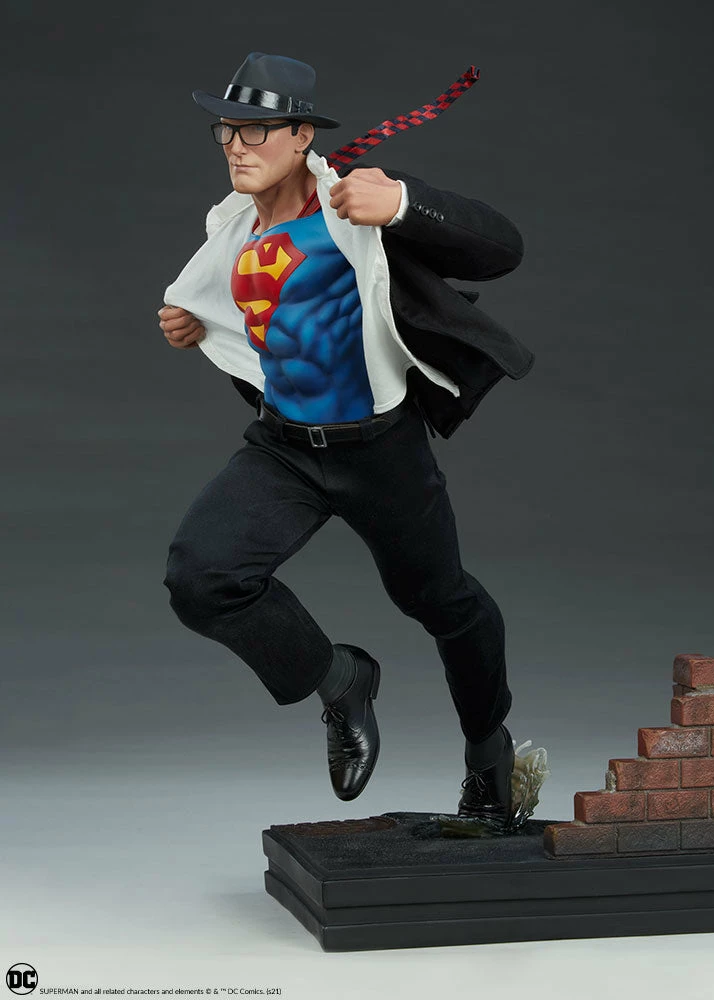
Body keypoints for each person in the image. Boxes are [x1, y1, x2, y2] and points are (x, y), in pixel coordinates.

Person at [159, 52, 534, 826]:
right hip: (284, 448)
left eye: (257, 131)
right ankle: (342, 682)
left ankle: (487, 751)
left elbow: (503, 250)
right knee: (201, 580)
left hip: (379, 451)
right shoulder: (229, 229)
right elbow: (260, 328)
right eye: (226, 129)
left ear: (301, 136)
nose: (236, 146)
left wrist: (403, 204)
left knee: (441, 601)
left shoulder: (352, 206)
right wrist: (197, 325)